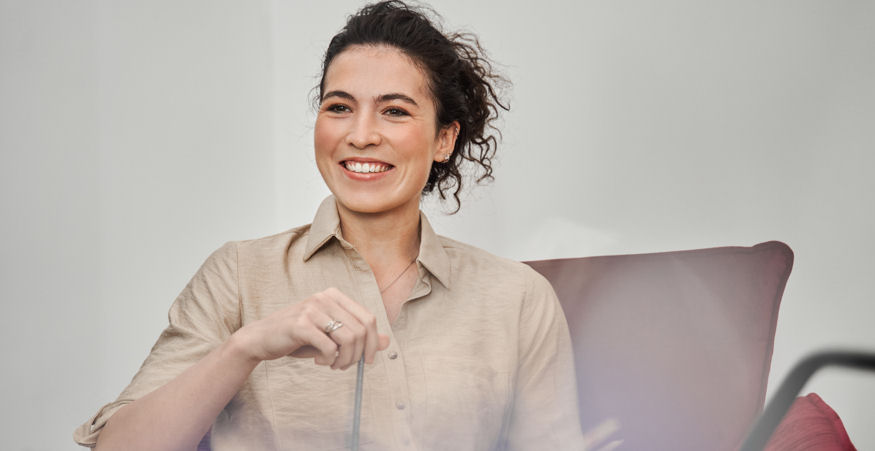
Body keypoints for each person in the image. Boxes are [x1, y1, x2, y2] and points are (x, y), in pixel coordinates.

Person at [74, 2, 583, 450]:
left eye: (395, 111)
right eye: (339, 107)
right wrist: (248, 345)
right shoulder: (238, 274)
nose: (361, 135)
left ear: (444, 139)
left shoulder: (518, 298)